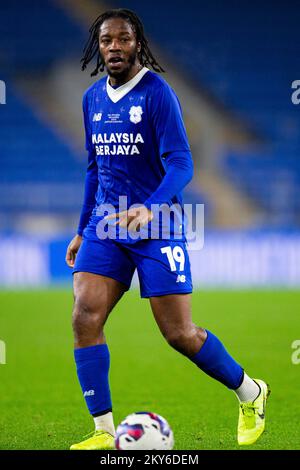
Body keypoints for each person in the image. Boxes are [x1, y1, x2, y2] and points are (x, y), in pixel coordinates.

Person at [65, 8, 270, 450]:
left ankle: (250, 392)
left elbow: (182, 163)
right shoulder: (91, 99)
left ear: (137, 42)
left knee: (179, 334)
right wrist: (83, 228)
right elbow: (94, 168)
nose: (114, 48)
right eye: (106, 41)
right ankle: (103, 432)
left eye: (122, 39)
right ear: (97, 47)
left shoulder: (158, 94)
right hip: (106, 223)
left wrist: (148, 208)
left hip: (157, 225)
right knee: (85, 315)